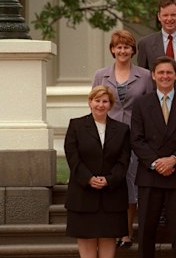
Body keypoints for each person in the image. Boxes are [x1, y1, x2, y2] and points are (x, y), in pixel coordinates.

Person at [131, 56, 176, 258]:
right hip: (149, 177)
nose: (165, 76)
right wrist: (155, 163)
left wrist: (174, 160)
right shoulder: (141, 104)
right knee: (146, 230)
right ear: (153, 75)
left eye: (169, 72)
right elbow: (136, 139)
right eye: (160, 72)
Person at [92, 30, 153, 248]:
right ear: (112, 49)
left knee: (130, 182)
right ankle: (109, 231)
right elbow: (94, 104)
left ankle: (126, 232)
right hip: (108, 136)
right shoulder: (101, 75)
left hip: (136, 136)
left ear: (133, 50)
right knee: (110, 182)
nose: (122, 51)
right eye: (119, 47)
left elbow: (150, 108)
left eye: (126, 47)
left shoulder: (145, 75)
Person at [64, 85, 131, 258]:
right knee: (86, 242)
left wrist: (109, 179)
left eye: (105, 101)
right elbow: (72, 157)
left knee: (108, 239)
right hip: (83, 195)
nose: (101, 105)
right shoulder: (76, 126)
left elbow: (124, 160)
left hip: (112, 195)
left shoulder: (122, 130)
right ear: (90, 102)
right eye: (97, 101)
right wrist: (88, 178)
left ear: (110, 105)